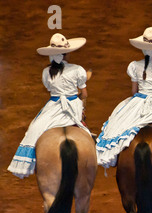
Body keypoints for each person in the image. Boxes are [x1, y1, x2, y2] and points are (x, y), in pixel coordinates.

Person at [8, 33, 91, 179]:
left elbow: (50, 89)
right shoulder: (78, 69)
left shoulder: (46, 72)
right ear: (67, 53)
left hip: (53, 106)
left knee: (34, 129)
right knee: (84, 129)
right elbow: (84, 94)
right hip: (73, 105)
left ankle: (29, 163)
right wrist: (80, 101)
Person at [96, 27, 152, 168]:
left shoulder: (135, 66)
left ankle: (115, 156)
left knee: (119, 124)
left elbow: (134, 91)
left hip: (139, 102)